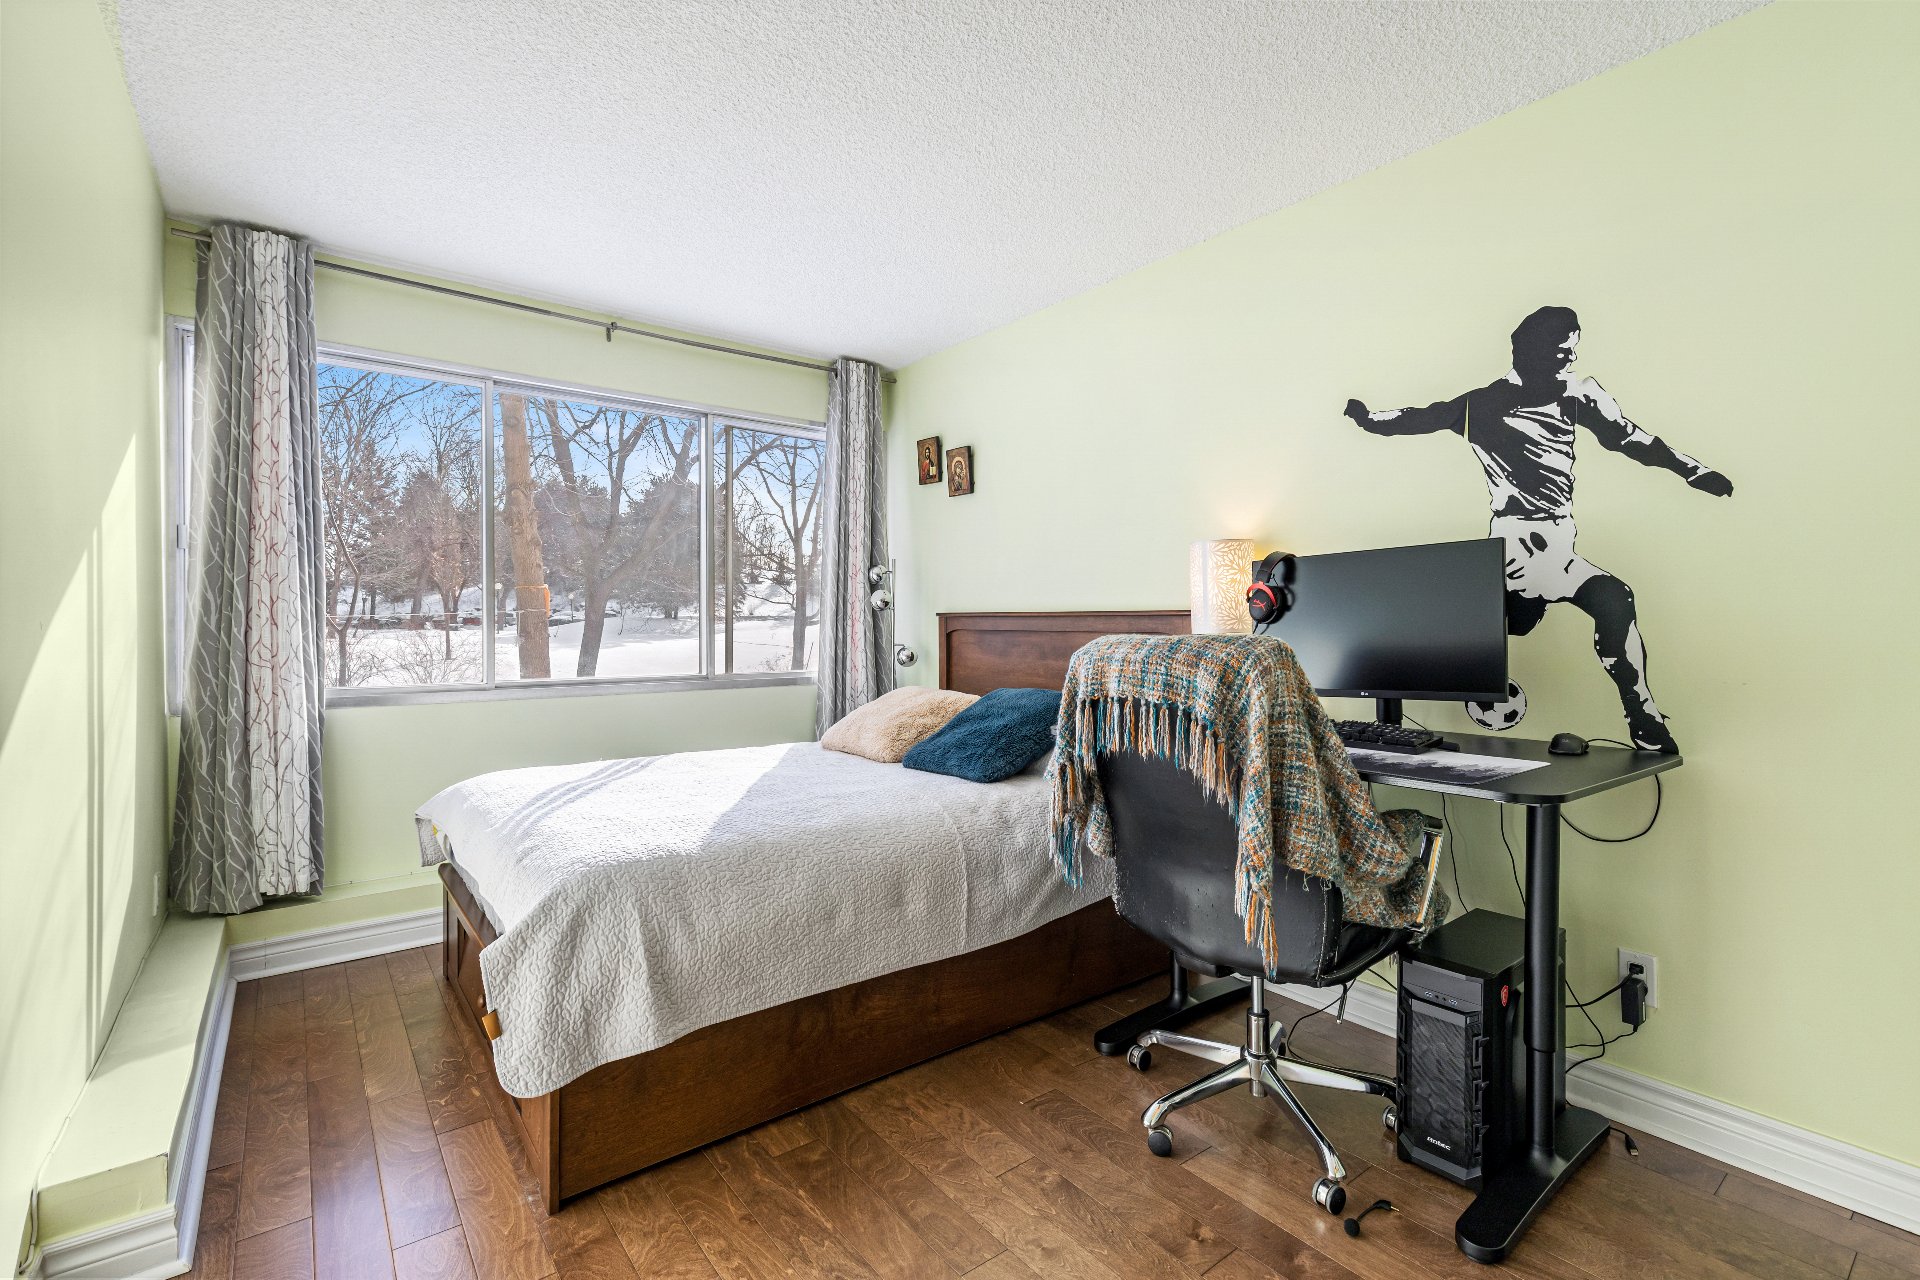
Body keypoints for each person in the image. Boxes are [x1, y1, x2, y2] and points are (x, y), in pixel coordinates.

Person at [1341, 306, 1732, 753]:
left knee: (1604, 602)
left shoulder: (1577, 394)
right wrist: (1369, 419)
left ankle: (1642, 716)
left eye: (1573, 350)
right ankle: (1446, 679)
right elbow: (1419, 418)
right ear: (1526, 351)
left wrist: (1692, 470)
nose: (1569, 358)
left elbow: (1629, 437)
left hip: (1560, 543)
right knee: (1538, 617)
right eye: (1561, 351)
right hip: (1515, 544)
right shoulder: (1480, 404)